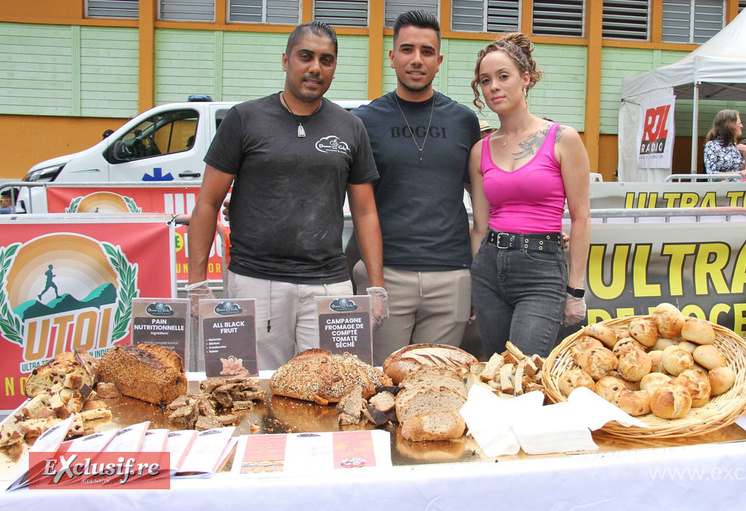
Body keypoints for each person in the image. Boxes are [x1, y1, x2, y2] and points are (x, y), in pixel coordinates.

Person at [186, 21, 388, 370]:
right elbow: (207, 203)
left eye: (327, 60)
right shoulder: (244, 119)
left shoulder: (350, 127)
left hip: (329, 287)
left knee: (332, 387)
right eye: (305, 56)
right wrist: (196, 283)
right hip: (257, 282)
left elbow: (366, 212)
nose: (315, 68)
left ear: (334, 68)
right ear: (285, 60)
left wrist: (376, 287)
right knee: (250, 388)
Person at [351, 11, 481, 366]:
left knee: (437, 384)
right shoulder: (365, 121)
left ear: (439, 61)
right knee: (381, 381)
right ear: (392, 57)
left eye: (427, 51)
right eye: (407, 49)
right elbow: (330, 186)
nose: (416, 59)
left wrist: (533, 227)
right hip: (385, 274)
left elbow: (484, 196)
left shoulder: (463, 121)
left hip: (451, 275)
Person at [468, 32, 591, 358]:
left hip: (541, 272)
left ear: (525, 79)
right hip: (489, 270)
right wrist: (475, 284)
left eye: (503, 76)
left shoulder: (562, 138)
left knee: (524, 373)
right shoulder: (480, 150)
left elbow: (581, 217)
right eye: (485, 80)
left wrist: (575, 290)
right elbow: (480, 227)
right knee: (497, 372)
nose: (493, 86)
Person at [703, 109, 746, 180]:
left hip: (735, 188)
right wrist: (737, 174)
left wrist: (745, 155)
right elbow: (712, 173)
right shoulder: (712, 145)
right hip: (719, 189)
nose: (741, 126)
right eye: (739, 123)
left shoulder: (734, 145)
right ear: (730, 125)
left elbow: (740, 170)